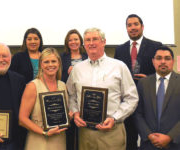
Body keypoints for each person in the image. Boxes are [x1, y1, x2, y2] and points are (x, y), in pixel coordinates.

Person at [66, 27, 139, 150]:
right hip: (85, 133)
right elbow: (71, 95)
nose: (91, 43)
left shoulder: (119, 66)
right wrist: (76, 112)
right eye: (88, 40)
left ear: (104, 42)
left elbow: (132, 98)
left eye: (95, 39)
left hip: (112, 131)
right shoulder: (77, 69)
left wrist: (115, 118)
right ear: (84, 44)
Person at [114, 14, 162, 150]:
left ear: (142, 27)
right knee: (130, 139)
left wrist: (149, 78)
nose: (133, 27)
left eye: (135, 24)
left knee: (151, 138)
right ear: (126, 29)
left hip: (149, 99)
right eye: (129, 25)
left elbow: (162, 71)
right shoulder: (120, 49)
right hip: (126, 101)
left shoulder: (155, 46)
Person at [19, 48, 68, 150]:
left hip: (59, 140)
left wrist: (70, 115)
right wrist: (44, 132)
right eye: (46, 62)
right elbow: (22, 119)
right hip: (38, 140)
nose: (50, 65)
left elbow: (64, 114)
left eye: (53, 61)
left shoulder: (63, 85)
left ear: (59, 63)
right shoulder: (32, 86)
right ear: (41, 64)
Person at [135, 46, 180, 150]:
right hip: (149, 144)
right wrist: (149, 135)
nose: (163, 61)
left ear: (173, 61)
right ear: (153, 61)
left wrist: (170, 137)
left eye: (167, 58)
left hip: (175, 144)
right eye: (159, 58)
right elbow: (137, 113)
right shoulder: (143, 83)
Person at [60, 29, 87, 150]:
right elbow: (58, 78)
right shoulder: (61, 57)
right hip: (68, 97)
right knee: (70, 131)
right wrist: (67, 73)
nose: (73, 42)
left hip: (85, 97)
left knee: (84, 129)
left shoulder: (87, 55)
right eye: (70, 40)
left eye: (76, 39)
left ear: (80, 41)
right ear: (67, 42)